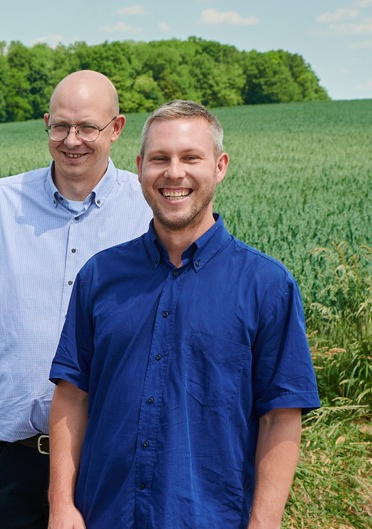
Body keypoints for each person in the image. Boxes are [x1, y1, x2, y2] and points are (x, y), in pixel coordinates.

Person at [48, 99, 321, 529]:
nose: (174, 173)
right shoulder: (99, 277)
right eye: (160, 159)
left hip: (211, 517)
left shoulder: (266, 285)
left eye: (191, 157)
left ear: (220, 166)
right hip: (105, 515)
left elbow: (280, 417)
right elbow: (71, 395)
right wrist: (61, 506)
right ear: (140, 168)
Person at [0, 70, 151, 528]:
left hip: (107, 455)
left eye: (88, 127)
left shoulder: (146, 208)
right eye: (61, 126)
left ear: (116, 128)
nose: (73, 140)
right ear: (47, 124)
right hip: (9, 459)